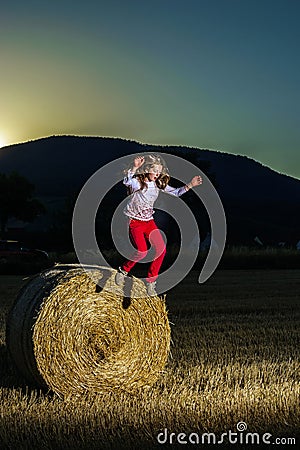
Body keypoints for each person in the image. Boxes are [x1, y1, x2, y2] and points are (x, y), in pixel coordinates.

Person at [115, 154, 202, 296]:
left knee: (161, 250)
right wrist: (135, 167)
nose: (157, 174)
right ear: (147, 169)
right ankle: (123, 270)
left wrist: (190, 185)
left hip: (149, 222)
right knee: (142, 251)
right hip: (134, 222)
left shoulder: (158, 184)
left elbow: (176, 193)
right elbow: (127, 181)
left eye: (159, 171)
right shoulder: (138, 182)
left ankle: (151, 282)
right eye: (154, 170)